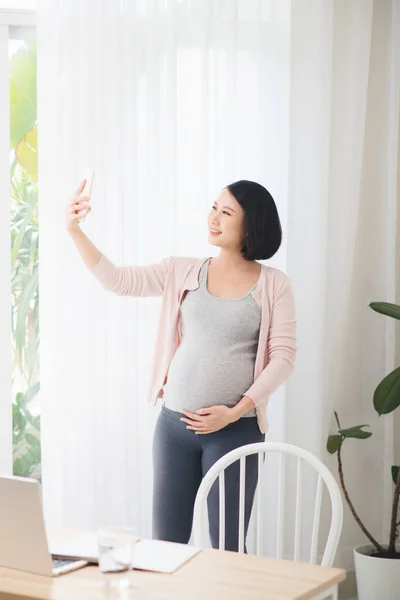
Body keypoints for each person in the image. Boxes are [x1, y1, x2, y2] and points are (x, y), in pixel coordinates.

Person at [66, 179, 296, 552]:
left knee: (228, 548)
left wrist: (236, 412)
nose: (213, 218)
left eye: (226, 212)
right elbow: (119, 281)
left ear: (251, 225)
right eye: (213, 207)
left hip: (235, 433)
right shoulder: (182, 270)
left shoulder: (274, 284)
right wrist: (74, 231)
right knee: (165, 546)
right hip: (173, 427)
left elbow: (283, 358)